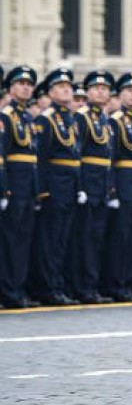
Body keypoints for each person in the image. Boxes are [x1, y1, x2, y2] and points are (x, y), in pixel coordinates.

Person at [30, 67, 82, 306]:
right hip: (55, 186)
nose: (66, 90)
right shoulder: (46, 118)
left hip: (69, 186)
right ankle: (47, 287)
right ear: (50, 92)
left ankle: (57, 284)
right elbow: (41, 158)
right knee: (50, 241)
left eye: (68, 87)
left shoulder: (70, 119)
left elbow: (75, 156)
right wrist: (43, 191)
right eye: (61, 87)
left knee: (63, 240)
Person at [67, 70, 115, 304]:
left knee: (96, 238)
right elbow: (78, 154)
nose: (101, 92)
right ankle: (82, 287)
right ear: (87, 92)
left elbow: (109, 156)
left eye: (105, 89)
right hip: (88, 184)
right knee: (84, 238)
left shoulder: (103, 119)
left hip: (102, 186)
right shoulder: (81, 117)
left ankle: (91, 285)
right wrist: (81, 186)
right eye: (96, 88)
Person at [104, 72, 132, 302]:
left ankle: (127, 284)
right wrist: (112, 189)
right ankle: (116, 284)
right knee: (120, 239)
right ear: (120, 95)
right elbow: (110, 158)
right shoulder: (114, 121)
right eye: (129, 90)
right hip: (123, 186)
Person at [1, 66, 41, 309]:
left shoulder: (26, 117)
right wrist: (4, 190)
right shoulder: (6, 116)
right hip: (14, 187)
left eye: (29, 83)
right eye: (21, 83)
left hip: (27, 188)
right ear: (11, 88)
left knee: (23, 240)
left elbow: (33, 158)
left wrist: (36, 190)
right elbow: (2, 156)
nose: (26, 87)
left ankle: (17, 288)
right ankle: (8, 291)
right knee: (10, 241)